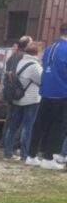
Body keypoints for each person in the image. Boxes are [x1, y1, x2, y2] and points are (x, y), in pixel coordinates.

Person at [28, 24, 67, 170]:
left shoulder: (50, 48)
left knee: (40, 125)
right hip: (62, 92)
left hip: (46, 92)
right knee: (58, 126)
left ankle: (31, 155)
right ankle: (48, 157)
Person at [4, 43, 42, 162]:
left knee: (13, 126)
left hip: (18, 99)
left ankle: (8, 152)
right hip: (31, 99)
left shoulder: (21, 62)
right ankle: (25, 154)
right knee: (27, 127)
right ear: (37, 53)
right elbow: (42, 81)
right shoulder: (35, 66)